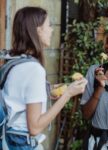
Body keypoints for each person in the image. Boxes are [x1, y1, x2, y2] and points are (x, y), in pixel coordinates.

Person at [0, 6, 87, 150]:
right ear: (38, 30)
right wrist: (68, 94)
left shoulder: (14, 61)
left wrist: (58, 88)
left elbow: (21, 94)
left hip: (9, 139)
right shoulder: (34, 70)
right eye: (49, 25)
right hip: (22, 143)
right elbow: (34, 127)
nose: (52, 30)